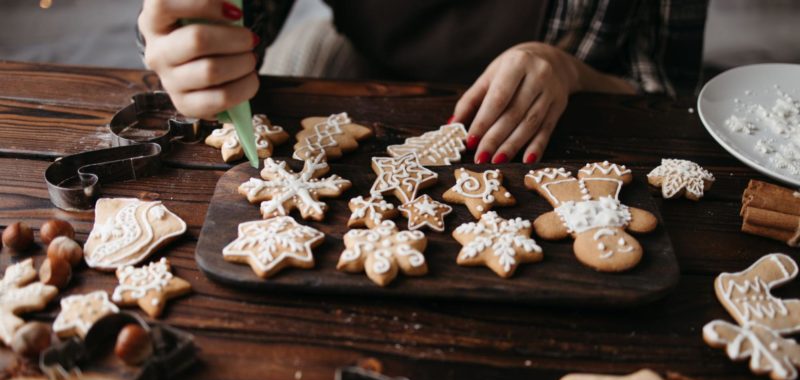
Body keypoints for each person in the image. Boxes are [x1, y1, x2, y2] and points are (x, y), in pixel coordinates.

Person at [137, 0, 708, 164]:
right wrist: (190, 39)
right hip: (367, 64)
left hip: (575, 104)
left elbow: (663, 100)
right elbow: (244, 18)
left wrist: (566, 68)